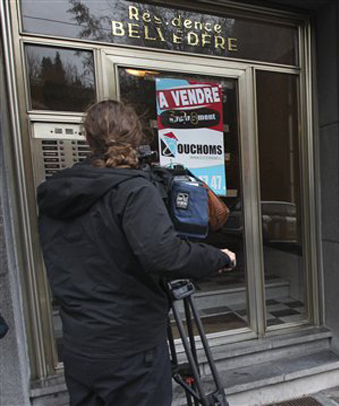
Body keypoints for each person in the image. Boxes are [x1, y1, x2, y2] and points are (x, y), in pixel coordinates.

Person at [37, 100, 235, 406]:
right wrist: (219, 257)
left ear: (88, 140)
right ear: (136, 137)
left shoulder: (56, 194)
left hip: (80, 347)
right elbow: (164, 255)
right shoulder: (133, 189)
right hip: (131, 349)